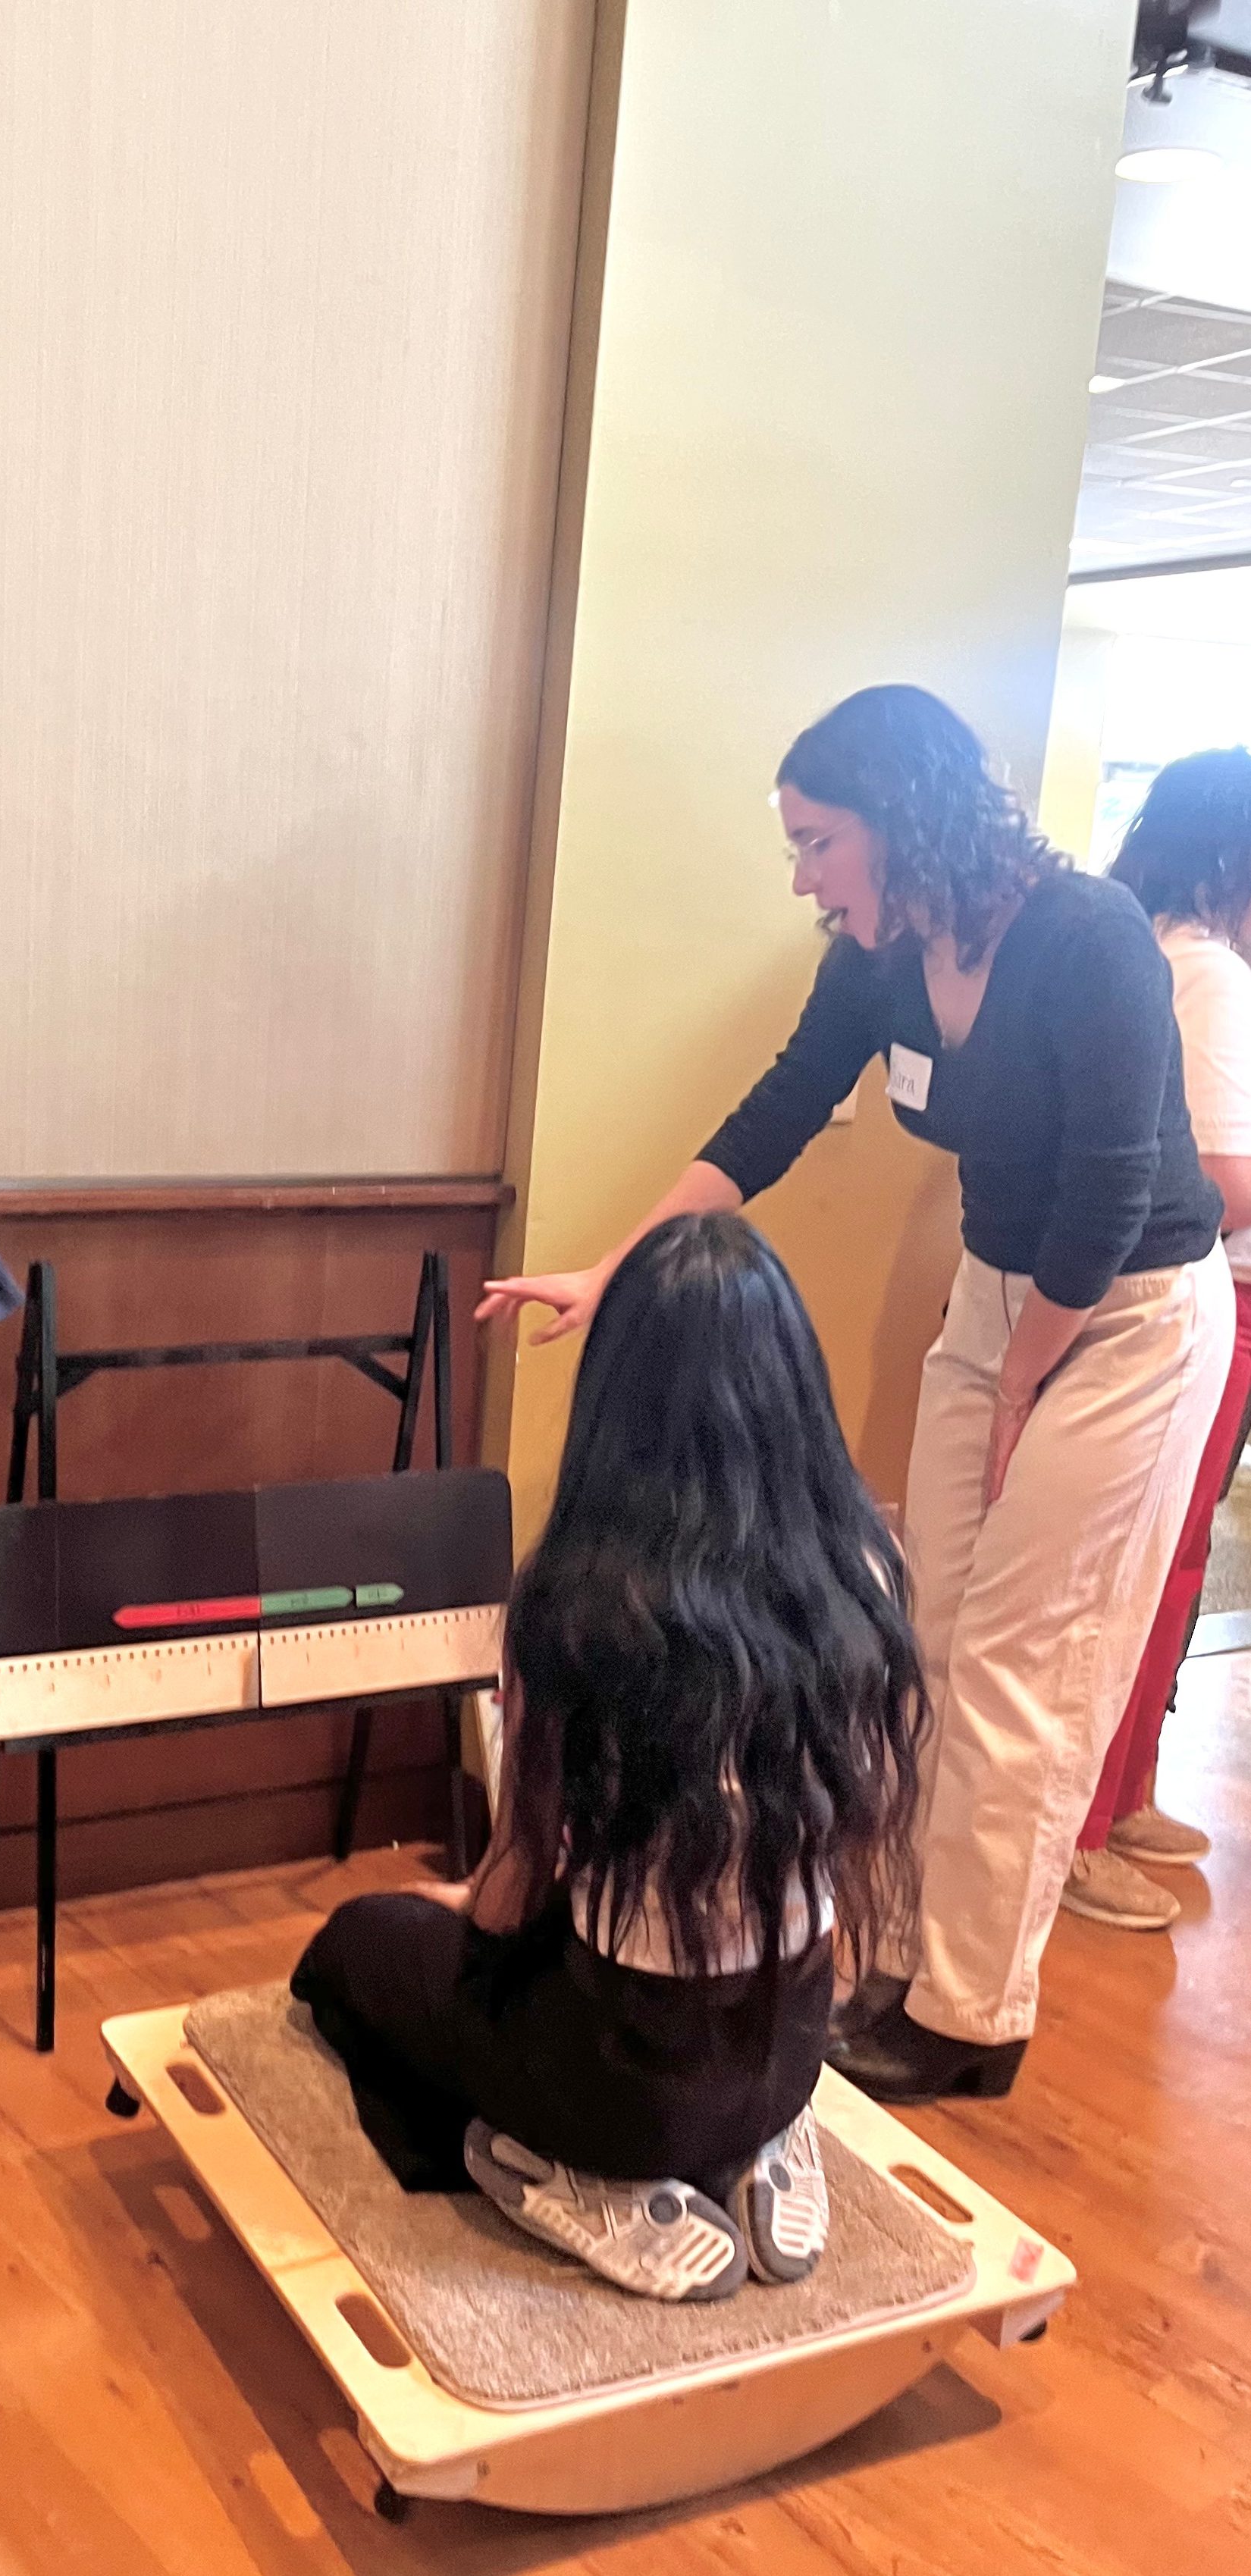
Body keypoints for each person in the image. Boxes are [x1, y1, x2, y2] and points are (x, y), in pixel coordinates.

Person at [481, 685, 1232, 2104]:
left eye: (818, 842)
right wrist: (607, 1269)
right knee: (922, 1645)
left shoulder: (1087, 940)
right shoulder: (879, 956)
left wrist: (1024, 1379)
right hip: (1001, 1299)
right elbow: (773, 1116)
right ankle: (888, 1961)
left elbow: (1112, 1187)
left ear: (908, 821)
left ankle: (969, 2014)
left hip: (1121, 1317)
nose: (802, 877)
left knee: (1024, 1663)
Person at [293, 1214, 925, 2302]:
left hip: (622, 2078)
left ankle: (571, 2172)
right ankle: (760, 2146)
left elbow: (508, 1892)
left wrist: (444, 1909)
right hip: (793, 2036)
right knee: (590, 1962)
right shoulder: (865, 1568)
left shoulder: (575, 1607)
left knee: (360, 1947)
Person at [1064, 747, 1251, 1931]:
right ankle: (1079, 1820)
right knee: (1136, 1567)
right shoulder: (1206, 975)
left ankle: (1116, 1795)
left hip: (1147, 1301)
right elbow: (1226, 1184)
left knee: (1160, 1566)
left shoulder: (1150, 955)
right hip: (1192, 1301)